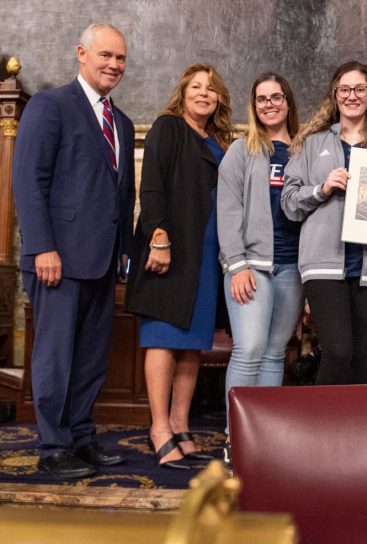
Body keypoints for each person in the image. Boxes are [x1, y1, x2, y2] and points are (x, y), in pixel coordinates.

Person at [12, 23, 134, 479]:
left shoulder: (119, 122)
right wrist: (42, 246)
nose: (113, 65)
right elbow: (29, 181)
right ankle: (53, 446)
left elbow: (122, 194)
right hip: (56, 262)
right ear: (81, 53)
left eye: (120, 58)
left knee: (89, 359)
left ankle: (81, 438)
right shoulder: (50, 106)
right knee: (55, 358)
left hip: (103, 263)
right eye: (105, 55)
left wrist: (124, 251)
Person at [125, 63, 233, 469]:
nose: (204, 93)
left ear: (219, 97)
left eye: (211, 89)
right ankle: (158, 428)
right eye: (196, 87)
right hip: (171, 249)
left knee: (192, 344)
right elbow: (150, 185)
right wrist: (159, 239)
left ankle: (180, 424)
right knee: (164, 338)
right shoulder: (168, 128)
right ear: (183, 92)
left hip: (207, 256)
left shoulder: (218, 140)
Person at [281, 61, 367, 386]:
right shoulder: (312, 142)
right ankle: (321, 430)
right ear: (334, 94)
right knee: (338, 350)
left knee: (363, 355)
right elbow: (289, 204)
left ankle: (354, 432)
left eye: (359, 89)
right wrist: (322, 188)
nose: (352, 96)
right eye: (345, 89)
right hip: (323, 265)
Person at [217, 73, 304, 467]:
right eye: (261, 99)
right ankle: (236, 438)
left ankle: (264, 438)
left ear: (288, 101)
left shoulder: (305, 150)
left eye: (276, 97)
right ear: (253, 107)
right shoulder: (242, 150)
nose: (269, 104)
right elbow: (228, 211)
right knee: (249, 349)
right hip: (250, 265)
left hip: (292, 268)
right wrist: (235, 264)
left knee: (273, 354)